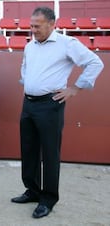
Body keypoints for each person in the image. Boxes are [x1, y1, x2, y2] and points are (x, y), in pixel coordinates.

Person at [11, 7, 104, 219]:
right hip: (29, 103)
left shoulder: (67, 44)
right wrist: (30, 84)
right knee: (29, 149)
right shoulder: (30, 46)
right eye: (31, 25)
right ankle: (33, 191)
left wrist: (74, 89)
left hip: (50, 104)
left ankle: (48, 198)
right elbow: (25, 68)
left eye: (38, 25)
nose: (33, 29)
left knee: (50, 152)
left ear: (52, 24)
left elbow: (94, 63)